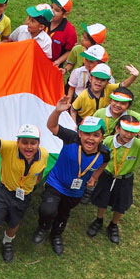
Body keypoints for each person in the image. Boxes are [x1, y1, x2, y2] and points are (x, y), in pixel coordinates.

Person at [33, 97, 110, 255]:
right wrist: (57, 111)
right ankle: (43, 227)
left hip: (75, 191)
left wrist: (94, 177)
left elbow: (103, 164)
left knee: (63, 213)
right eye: (86, 134)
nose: (90, 138)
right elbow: (51, 126)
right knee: (47, 210)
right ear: (79, 133)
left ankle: (56, 235)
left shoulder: (104, 153)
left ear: (102, 137)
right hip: (56, 183)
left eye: (95, 135)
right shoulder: (71, 139)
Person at [0, 123, 49, 270]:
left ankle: (7, 242)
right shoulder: (9, 148)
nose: (28, 147)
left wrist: (31, 185)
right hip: (4, 191)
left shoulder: (44, 154)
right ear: (17, 141)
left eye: (33, 143)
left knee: (14, 223)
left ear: (38, 143)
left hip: (24, 195)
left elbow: (39, 173)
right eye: (24, 142)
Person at [87, 116, 140, 244]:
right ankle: (99, 220)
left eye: (133, 131)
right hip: (106, 175)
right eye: (126, 130)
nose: (129, 135)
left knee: (121, 204)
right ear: (117, 128)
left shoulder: (139, 145)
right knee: (102, 199)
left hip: (125, 179)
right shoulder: (108, 141)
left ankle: (113, 225)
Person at [71, 63, 139, 122]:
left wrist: (134, 76)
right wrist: (74, 125)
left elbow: (123, 84)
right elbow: (73, 110)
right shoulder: (83, 95)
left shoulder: (108, 88)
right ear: (90, 78)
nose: (99, 82)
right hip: (84, 121)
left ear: (107, 82)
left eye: (103, 80)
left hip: (103, 119)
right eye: (96, 78)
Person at [47, 0, 77, 66]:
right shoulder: (43, 18)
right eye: (51, 7)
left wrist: (59, 61)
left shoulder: (70, 31)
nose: (52, 11)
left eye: (57, 10)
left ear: (65, 14)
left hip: (53, 65)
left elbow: (70, 50)